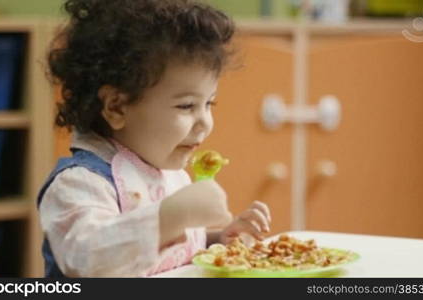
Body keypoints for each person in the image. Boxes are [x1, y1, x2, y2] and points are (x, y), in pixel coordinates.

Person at [38, 0, 272, 277]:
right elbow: (88, 259)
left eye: (209, 104)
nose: (205, 123)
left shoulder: (167, 172)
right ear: (116, 107)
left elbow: (169, 257)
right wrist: (169, 218)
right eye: (186, 106)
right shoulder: (80, 183)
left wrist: (219, 240)